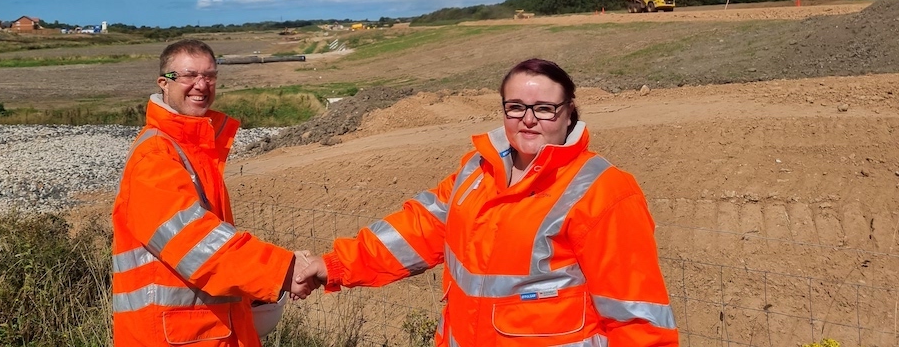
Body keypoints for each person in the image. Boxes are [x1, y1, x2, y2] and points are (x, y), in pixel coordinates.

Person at [298, 58, 678, 346]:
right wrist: (330, 265)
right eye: (516, 106)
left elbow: (638, 319)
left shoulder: (604, 191)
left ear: (568, 113)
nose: (528, 120)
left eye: (544, 108)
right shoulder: (477, 172)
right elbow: (416, 231)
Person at [112, 38, 313, 347]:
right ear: (164, 83)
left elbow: (214, 248)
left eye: (210, 75)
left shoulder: (196, 148)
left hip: (204, 331)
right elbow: (197, 245)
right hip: (171, 337)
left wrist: (254, 286)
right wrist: (282, 270)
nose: (201, 85)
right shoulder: (155, 157)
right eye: (189, 75)